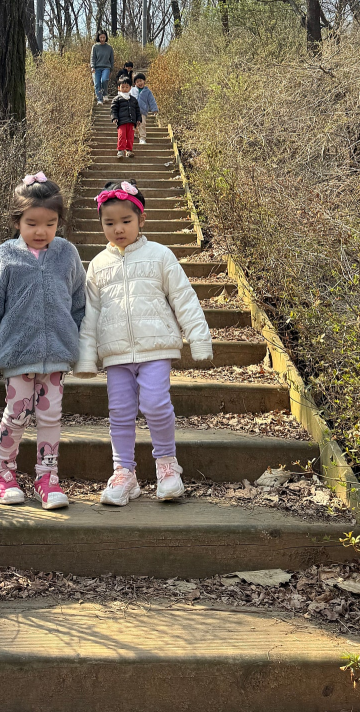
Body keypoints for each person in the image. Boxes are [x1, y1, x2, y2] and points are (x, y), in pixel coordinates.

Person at [75, 180, 213, 505]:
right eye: (109, 223)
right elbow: (89, 314)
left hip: (155, 349)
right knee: (120, 412)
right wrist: (84, 358)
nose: (118, 229)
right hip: (116, 353)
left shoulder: (159, 255)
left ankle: (167, 466)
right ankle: (124, 473)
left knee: (155, 404)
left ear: (142, 220)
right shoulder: (97, 265)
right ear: (101, 224)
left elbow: (184, 297)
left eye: (126, 221)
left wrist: (199, 337)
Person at [0, 174, 86, 509]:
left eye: (50, 223)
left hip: (57, 355)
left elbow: (79, 302)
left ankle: (48, 478)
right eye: (32, 223)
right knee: (16, 415)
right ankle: (3, 473)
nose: (41, 231)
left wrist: (78, 342)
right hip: (18, 355)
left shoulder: (66, 254)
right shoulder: (4, 257)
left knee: (51, 417)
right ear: (16, 221)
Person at [110, 75, 141, 158]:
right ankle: (120, 150)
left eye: (127, 87)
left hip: (131, 121)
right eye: (122, 87)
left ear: (130, 88)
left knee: (130, 137)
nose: (124, 89)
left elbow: (137, 110)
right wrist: (114, 117)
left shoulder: (133, 99)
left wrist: (138, 119)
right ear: (119, 88)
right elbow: (113, 109)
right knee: (122, 136)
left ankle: (129, 150)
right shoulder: (117, 99)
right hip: (121, 121)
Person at [90, 31, 115, 104]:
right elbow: (93, 58)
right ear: (98, 37)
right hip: (97, 67)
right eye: (101, 37)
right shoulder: (95, 47)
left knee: (104, 80)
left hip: (106, 67)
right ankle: (99, 99)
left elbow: (112, 59)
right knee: (97, 83)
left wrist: (111, 69)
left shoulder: (109, 48)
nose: (102, 39)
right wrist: (92, 67)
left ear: (106, 37)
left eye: (104, 37)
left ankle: (105, 95)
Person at [133, 73, 158, 144]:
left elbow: (151, 101)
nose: (139, 83)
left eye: (141, 81)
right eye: (137, 82)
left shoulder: (147, 91)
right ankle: (134, 133)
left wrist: (154, 110)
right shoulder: (132, 90)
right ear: (135, 83)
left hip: (142, 111)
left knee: (142, 124)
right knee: (132, 124)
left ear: (144, 81)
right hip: (133, 111)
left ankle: (142, 138)